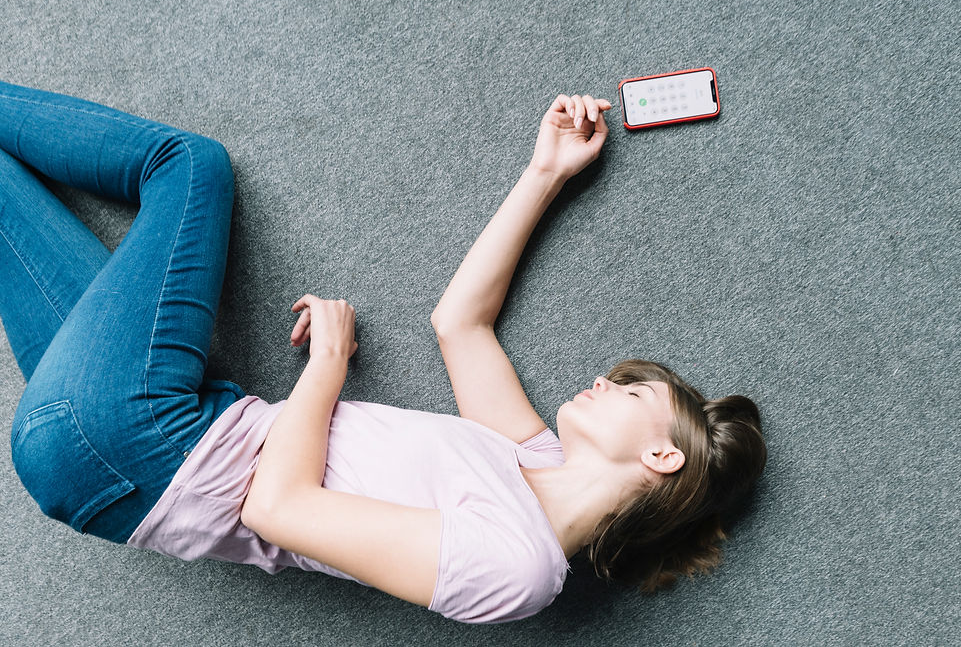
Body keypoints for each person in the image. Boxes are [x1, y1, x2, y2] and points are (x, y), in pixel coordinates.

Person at [0, 81, 766, 625]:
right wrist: (546, 172)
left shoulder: (518, 568)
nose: (604, 380)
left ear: (662, 459)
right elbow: (460, 323)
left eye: (633, 395)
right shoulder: (528, 457)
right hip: (141, 431)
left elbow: (279, 507)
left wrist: (327, 365)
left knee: (190, 166)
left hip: (144, 447)